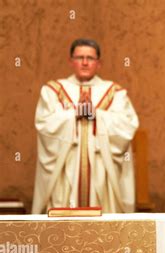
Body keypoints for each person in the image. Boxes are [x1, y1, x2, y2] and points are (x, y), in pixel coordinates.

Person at [32, 38, 139, 214]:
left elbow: (127, 126)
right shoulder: (53, 90)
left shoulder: (115, 92)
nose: (84, 63)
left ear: (99, 63)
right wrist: (74, 115)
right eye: (79, 57)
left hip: (101, 170)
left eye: (90, 58)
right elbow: (44, 123)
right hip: (66, 170)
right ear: (70, 61)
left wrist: (97, 115)